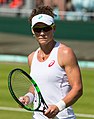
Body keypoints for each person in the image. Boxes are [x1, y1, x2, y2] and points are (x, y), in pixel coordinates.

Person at [19, 6, 83, 119]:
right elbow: (35, 87)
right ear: (33, 31)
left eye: (46, 28)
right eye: (38, 29)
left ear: (53, 28)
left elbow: (77, 88)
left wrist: (58, 107)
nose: (42, 33)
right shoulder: (31, 57)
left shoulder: (65, 53)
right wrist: (28, 97)